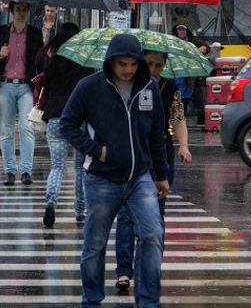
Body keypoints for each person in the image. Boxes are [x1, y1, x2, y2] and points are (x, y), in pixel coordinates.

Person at [60, 34, 169, 308]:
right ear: (110, 62)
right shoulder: (90, 87)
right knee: (95, 245)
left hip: (140, 178)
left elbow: (157, 133)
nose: (128, 69)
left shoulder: (149, 88)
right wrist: (97, 150)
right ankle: (91, 301)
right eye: (122, 64)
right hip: (101, 180)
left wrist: (161, 173)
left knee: (153, 234)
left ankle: (148, 302)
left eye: (133, 64)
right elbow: (67, 124)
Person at [114, 50, 193, 291]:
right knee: (127, 215)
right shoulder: (126, 86)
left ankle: (149, 269)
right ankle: (124, 272)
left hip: (160, 159)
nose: (154, 69)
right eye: (149, 64)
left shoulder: (169, 89)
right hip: (132, 159)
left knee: (155, 217)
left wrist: (184, 146)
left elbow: (178, 118)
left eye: (159, 65)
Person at [40, 22, 93, 227]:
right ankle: (79, 210)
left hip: (55, 119)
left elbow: (47, 86)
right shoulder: (84, 63)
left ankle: (51, 202)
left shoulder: (53, 62)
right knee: (80, 167)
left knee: (57, 166)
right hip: (77, 120)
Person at [0, 1, 43, 186]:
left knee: (27, 127)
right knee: (7, 130)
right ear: (11, 11)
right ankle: (10, 171)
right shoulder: (1, 31)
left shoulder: (34, 33)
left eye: (24, 10)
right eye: (17, 10)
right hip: (5, 85)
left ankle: (26, 170)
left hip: (26, 85)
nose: (21, 13)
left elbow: (40, 59)